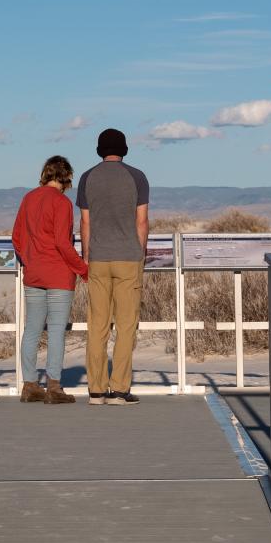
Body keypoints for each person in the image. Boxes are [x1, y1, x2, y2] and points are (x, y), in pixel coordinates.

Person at [77, 127, 149, 405]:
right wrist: (139, 252)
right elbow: (141, 220)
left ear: (99, 150)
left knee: (97, 325)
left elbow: (85, 222)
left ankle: (96, 389)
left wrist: (86, 255)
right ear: (124, 149)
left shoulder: (87, 177)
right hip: (128, 257)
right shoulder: (137, 177)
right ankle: (119, 389)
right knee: (126, 325)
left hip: (98, 257)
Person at [10, 154, 90, 403]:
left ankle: (30, 384)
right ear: (67, 177)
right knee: (56, 330)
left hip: (33, 273)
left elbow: (17, 237)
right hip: (58, 273)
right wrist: (83, 269)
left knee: (32, 329)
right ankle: (54, 386)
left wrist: (31, 259)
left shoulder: (28, 198)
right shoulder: (62, 203)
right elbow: (62, 243)